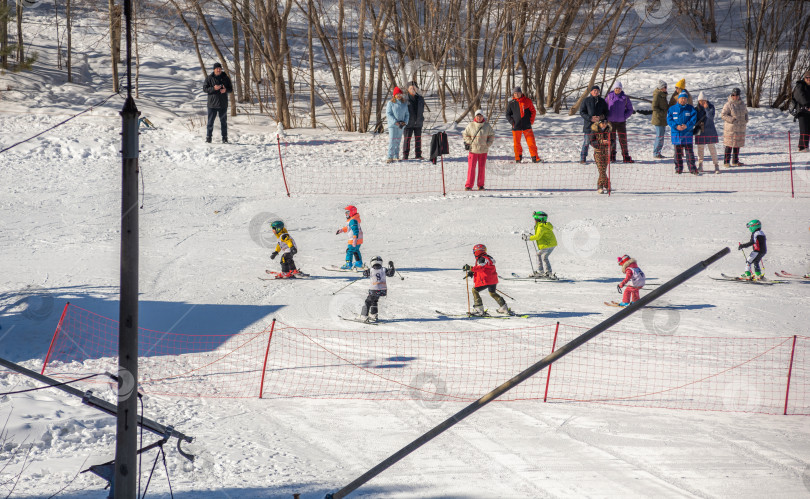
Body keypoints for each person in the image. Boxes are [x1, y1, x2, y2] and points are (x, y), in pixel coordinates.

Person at [462, 244, 512, 316]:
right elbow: (483, 267)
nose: (473, 253)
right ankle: (503, 307)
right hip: (493, 280)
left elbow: (481, 268)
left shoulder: (481, 259)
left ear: (477, 251)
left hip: (486, 280)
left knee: (475, 290)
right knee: (492, 293)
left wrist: (470, 268)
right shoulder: (488, 258)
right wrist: (472, 272)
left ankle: (479, 310)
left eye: (474, 251)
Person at [462, 109, 496, 191]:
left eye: (480, 116)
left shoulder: (487, 126)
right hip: (473, 150)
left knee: (482, 168)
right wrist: (470, 142)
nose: (479, 117)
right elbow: (465, 134)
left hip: (483, 151)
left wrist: (488, 144)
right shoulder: (471, 125)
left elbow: (492, 135)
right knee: (471, 168)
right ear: (475, 116)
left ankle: (480, 185)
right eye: (477, 116)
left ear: (483, 116)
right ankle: (469, 185)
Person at [505, 86, 541, 163]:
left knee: (531, 143)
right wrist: (512, 122)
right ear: (513, 94)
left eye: (518, 93)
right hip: (516, 127)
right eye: (515, 93)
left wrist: (530, 121)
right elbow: (507, 115)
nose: (516, 94)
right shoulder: (511, 103)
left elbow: (533, 111)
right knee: (516, 144)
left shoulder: (528, 101)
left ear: (521, 93)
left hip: (527, 126)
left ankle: (535, 158)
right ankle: (518, 158)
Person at [667, 91, 699, 175]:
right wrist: (676, 126)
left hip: (687, 135)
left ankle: (692, 169)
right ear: (678, 99)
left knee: (690, 154)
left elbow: (693, 119)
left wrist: (687, 126)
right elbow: (669, 120)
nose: (683, 100)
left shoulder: (691, 109)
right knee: (677, 154)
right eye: (682, 98)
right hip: (676, 135)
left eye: (685, 98)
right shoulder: (672, 109)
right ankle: (678, 168)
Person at [357, 256, 396, 323]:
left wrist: (365, 270)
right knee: (374, 301)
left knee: (368, 302)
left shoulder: (371, 270)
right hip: (382, 290)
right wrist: (392, 266)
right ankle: (373, 314)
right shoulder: (384, 269)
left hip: (374, 290)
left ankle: (364, 316)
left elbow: (365, 274)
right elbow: (391, 274)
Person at [203, 62, 233, 143]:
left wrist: (225, 90)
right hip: (212, 105)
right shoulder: (209, 78)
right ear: (214, 69)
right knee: (210, 122)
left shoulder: (225, 78)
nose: (218, 70)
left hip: (223, 104)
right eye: (217, 68)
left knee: (223, 122)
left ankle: (224, 138)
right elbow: (205, 89)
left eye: (220, 68)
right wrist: (213, 88)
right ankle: (208, 138)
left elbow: (231, 89)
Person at [521, 211, 558, 278]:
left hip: (547, 244)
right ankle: (545, 272)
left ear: (539, 219)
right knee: (542, 256)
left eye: (535, 219)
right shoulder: (544, 225)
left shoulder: (541, 227)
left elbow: (538, 236)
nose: (534, 221)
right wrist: (532, 236)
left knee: (542, 256)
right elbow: (539, 235)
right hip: (551, 244)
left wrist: (528, 238)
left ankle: (545, 272)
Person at [606, 81, 635, 163]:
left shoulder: (625, 98)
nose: (617, 89)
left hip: (621, 122)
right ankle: (612, 156)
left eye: (619, 88)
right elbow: (605, 107)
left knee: (623, 139)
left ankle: (625, 156)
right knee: (612, 139)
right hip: (610, 122)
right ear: (614, 89)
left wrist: (624, 116)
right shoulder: (609, 97)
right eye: (616, 88)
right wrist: (606, 116)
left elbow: (630, 109)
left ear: (621, 89)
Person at [580, 85, 609, 164]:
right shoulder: (586, 100)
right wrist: (590, 118)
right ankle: (583, 158)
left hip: (599, 126)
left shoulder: (602, 101)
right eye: (594, 91)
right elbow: (582, 112)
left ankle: (599, 157)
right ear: (591, 92)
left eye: (597, 91)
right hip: (588, 125)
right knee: (586, 142)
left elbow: (606, 112)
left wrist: (601, 117)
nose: (596, 92)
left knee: (598, 142)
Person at [721, 88, 749, 167]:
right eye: (733, 95)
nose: (735, 97)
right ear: (731, 95)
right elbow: (723, 115)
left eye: (736, 95)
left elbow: (746, 112)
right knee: (729, 144)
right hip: (731, 129)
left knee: (737, 145)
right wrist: (732, 120)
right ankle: (726, 162)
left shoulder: (742, 104)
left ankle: (735, 161)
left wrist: (745, 119)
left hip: (740, 128)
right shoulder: (728, 104)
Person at [694, 91, 720, 173]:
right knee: (700, 150)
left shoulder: (711, 107)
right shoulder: (696, 109)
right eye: (700, 101)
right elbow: (694, 120)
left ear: (706, 100)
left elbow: (710, 117)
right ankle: (700, 165)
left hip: (710, 131)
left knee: (712, 149)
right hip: (700, 132)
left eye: (703, 100)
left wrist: (706, 108)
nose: (701, 102)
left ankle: (716, 165)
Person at [385, 87, 409, 163]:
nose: (398, 95)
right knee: (392, 140)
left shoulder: (404, 104)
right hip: (393, 125)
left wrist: (405, 122)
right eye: (397, 94)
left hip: (401, 125)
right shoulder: (390, 103)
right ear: (394, 95)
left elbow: (407, 114)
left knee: (398, 141)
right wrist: (396, 122)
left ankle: (396, 155)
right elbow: (388, 114)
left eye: (400, 94)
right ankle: (390, 156)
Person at [336, 205, 364, 270]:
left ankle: (348, 264)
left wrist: (354, 239)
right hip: (359, 239)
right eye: (345, 212)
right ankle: (359, 263)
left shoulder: (353, 220)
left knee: (349, 251)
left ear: (352, 212)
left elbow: (355, 230)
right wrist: (342, 230)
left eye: (347, 212)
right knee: (356, 250)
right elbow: (348, 228)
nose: (346, 214)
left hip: (354, 239)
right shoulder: (353, 220)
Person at [589, 118, 612, 193]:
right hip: (598, 152)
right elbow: (592, 142)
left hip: (606, 152)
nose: (604, 124)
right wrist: (601, 142)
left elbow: (613, 141)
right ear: (599, 123)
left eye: (605, 122)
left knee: (603, 170)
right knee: (601, 170)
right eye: (602, 122)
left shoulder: (609, 130)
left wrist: (610, 143)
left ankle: (601, 186)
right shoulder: (594, 130)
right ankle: (606, 185)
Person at [403, 83, 425, 160]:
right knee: (407, 140)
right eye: (411, 88)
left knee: (418, 139)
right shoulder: (405, 99)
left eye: (414, 88)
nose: (413, 89)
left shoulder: (420, 98)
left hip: (418, 122)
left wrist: (421, 118)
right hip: (408, 123)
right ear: (408, 89)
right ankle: (405, 155)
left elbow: (422, 110)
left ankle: (418, 154)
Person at [793, 71, 810, 152]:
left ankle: (805, 146)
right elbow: (800, 96)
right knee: (804, 129)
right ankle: (802, 147)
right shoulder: (800, 86)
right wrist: (807, 105)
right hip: (802, 111)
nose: (809, 79)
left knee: (808, 129)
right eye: (807, 78)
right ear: (804, 78)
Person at [652, 80, 669, 159]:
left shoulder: (663, 95)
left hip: (663, 119)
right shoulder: (657, 95)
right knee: (660, 136)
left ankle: (658, 152)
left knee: (661, 136)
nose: (666, 88)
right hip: (658, 119)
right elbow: (654, 107)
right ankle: (656, 153)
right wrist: (662, 112)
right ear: (661, 88)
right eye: (665, 87)